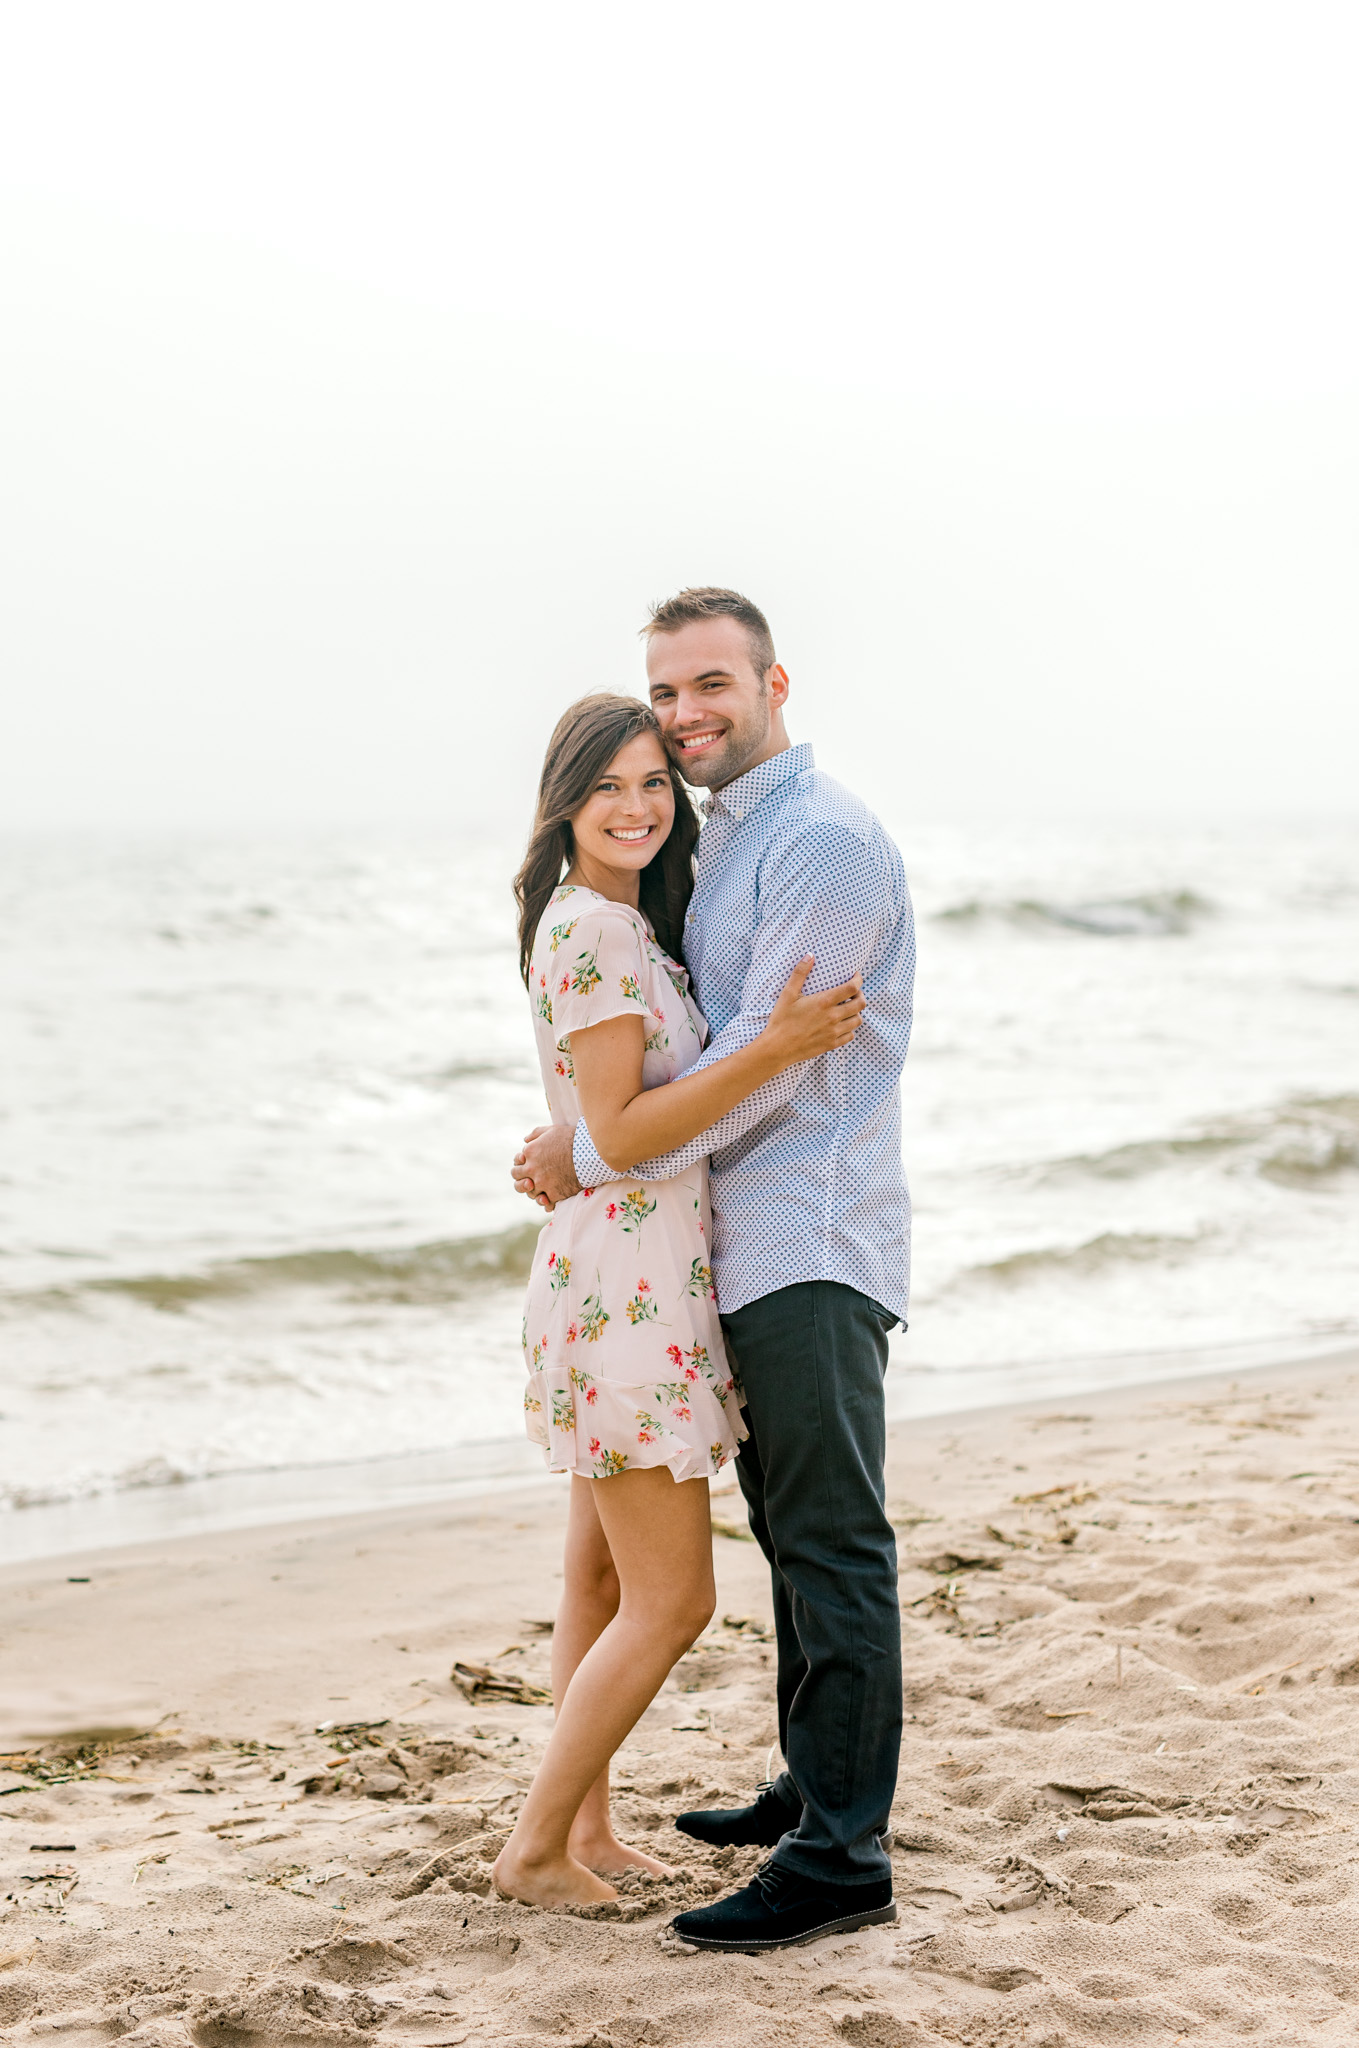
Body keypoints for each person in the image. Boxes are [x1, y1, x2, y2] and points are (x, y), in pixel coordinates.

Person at [511, 588, 915, 1952]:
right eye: (663, 692)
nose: (686, 717)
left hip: (803, 1235)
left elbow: (769, 1054)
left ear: (772, 682)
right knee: (793, 1537)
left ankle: (840, 1852)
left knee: (828, 1541)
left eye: (707, 688)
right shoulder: (715, 842)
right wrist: (594, 1134)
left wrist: (591, 1146)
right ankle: (808, 1788)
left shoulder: (826, 843)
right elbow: (698, 1054)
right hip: (715, 1252)